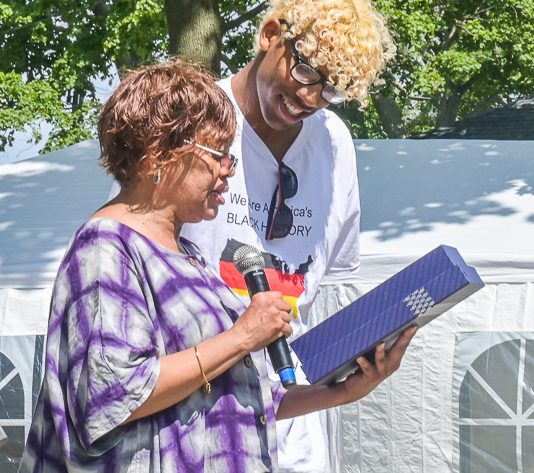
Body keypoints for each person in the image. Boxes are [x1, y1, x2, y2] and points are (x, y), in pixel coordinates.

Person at [19, 59, 414, 473]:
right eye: (218, 155)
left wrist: (343, 391)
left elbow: (240, 397)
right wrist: (243, 336)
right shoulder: (106, 248)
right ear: (158, 156)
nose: (230, 170)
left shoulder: (187, 255)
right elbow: (112, 394)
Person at [181, 0, 397, 472]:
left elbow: (320, 291)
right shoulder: (191, 119)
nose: (312, 98)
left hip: (293, 428)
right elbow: (131, 256)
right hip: (195, 420)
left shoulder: (335, 144)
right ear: (271, 35)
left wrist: (353, 372)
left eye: (333, 89)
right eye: (306, 72)